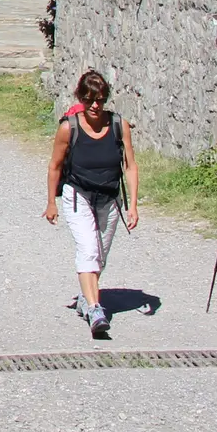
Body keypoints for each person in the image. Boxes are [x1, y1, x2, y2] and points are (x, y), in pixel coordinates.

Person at [44, 69, 138, 339]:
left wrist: (132, 205)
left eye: (100, 99)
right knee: (88, 249)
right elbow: (55, 166)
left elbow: (130, 166)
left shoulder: (119, 126)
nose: (95, 105)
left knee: (99, 254)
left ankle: (86, 299)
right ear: (80, 99)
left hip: (110, 197)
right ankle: (96, 309)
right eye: (89, 100)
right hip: (78, 195)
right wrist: (51, 202)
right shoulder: (68, 128)